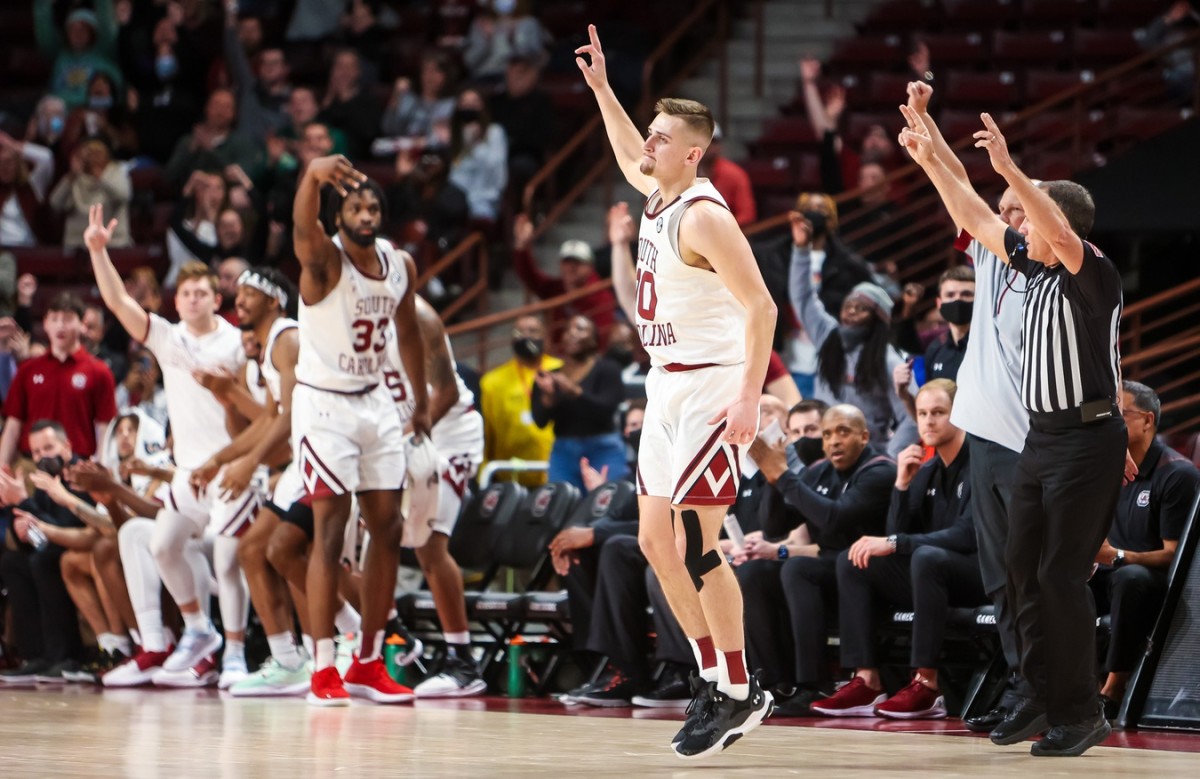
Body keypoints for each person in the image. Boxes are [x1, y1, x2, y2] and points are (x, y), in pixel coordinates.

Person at [900, 103, 1126, 756]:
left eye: (1030, 215)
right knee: (1021, 573)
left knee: (1058, 575)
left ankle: (1081, 711)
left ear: (1064, 227)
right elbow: (972, 213)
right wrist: (933, 159)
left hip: (1087, 438)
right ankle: (1051, 701)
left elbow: (1044, 219)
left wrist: (1008, 166)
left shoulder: (1094, 275)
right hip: (1044, 440)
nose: (1018, 224)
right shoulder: (1031, 269)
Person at [577, 23, 778, 758]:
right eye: (650, 134)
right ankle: (717, 679)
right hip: (666, 389)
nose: (648, 145)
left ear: (692, 151)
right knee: (654, 542)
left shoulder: (702, 212)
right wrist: (602, 89)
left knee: (698, 548)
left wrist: (750, 398)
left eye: (661, 137)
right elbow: (627, 153)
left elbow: (762, 307)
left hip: (710, 391)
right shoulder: (659, 193)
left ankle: (737, 685)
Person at [900, 81, 1032, 734]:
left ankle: (1045, 688)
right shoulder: (988, 258)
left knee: (1029, 575)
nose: (1004, 217)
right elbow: (963, 194)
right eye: (1003, 208)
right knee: (1001, 576)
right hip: (986, 441)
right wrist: (928, 138)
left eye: (1019, 209)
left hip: (1029, 442)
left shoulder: (1048, 275)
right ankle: (1018, 682)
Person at [85, 209, 254, 689]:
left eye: (202, 292)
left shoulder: (237, 343)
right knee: (162, 544)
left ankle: (237, 653)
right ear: (175, 300)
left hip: (233, 469)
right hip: (188, 472)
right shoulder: (167, 336)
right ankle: (200, 630)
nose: (193, 298)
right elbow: (117, 301)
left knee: (225, 559)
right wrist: (98, 250)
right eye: (185, 292)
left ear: (217, 300)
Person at [290, 154, 430, 706]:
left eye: (373, 206)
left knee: (388, 529)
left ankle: (369, 662)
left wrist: (416, 396)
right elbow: (303, 228)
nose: (366, 213)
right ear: (339, 213)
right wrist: (311, 177)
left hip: (375, 402)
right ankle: (323, 665)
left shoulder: (399, 265)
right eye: (355, 205)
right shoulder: (324, 261)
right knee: (329, 530)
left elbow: (410, 328)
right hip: (325, 407)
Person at [813, 380, 985, 719]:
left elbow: (968, 535)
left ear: (960, 415)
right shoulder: (928, 468)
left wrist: (896, 543)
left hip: (980, 574)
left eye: (938, 412)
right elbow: (897, 534)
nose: (929, 421)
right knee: (854, 560)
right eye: (922, 414)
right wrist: (902, 485)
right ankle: (866, 679)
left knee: (924, 555)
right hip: (932, 574)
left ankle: (927, 684)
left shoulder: (981, 462)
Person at [738, 404, 894, 715]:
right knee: (754, 573)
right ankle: (773, 683)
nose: (834, 441)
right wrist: (772, 477)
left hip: (872, 575)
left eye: (843, 432)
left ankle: (814, 684)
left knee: (799, 568)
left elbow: (834, 519)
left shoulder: (879, 471)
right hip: (831, 569)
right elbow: (774, 527)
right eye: (827, 435)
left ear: (864, 436)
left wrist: (782, 476)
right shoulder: (819, 470)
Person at [386, 296, 488, 698]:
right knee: (369, 535)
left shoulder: (419, 316)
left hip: (448, 431)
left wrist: (408, 438)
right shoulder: (354, 314)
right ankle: (385, 639)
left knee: (430, 545)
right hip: (401, 433)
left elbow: (444, 392)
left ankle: (463, 661)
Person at [1092, 380, 1200, 719]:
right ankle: (1052, 683)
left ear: (1147, 420)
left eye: (1118, 414)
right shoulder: (1105, 469)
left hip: (1157, 584)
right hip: (1112, 572)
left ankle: (1113, 688)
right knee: (1057, 578)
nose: (1109, 422)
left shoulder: (1177, 473)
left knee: (1130, 578)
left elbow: (1177, 555)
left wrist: (1120, 556)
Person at [0, 421, 99, 683]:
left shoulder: (81, 474)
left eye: (48, 447)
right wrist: (15, 510)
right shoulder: (46, 480)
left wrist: (24, 502)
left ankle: (65, 656)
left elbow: (69, 528)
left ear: (66, 446)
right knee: (12, 561)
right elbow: (36, 538)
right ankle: (35, 656)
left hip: (82, 546)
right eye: (36, 452)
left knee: (43, 561)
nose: (42, 456)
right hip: (52, 548)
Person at [789, 237, 908, 450]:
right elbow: (804, 298)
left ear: (878, 319)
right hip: (824, 451)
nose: (852, 310)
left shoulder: (888, 360)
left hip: (867, 453)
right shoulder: (827, 335)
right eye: (849, 305)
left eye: (862, 308)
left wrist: (889, 458)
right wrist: (801, 250)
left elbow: (911, 417)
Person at [0, 292, 117, 467]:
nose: (60, 326)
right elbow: (13, 423)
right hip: (31, 463)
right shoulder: (28, 370)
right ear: (45, 324)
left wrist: (101, 468)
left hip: (78, 465)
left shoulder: (99, 371)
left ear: (82, 325)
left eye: (68, 319)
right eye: (54, 319)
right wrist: (2, 468)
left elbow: (104, 427)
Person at [531, 315, 628, 489]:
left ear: (593, 340)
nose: (572, 334)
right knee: (560, 506)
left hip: (603, 448)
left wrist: (574, 391)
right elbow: (540, 421)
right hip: (564, 450)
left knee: (606, 503)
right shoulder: (550, 376)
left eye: (580, 329)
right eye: (568, 330)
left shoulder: (608, 369)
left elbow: (606, 409)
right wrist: (548, 396)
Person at [480, 314, 562, 486]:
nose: (526, 337)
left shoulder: (562, 372)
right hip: (511, 474)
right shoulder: (492, 382)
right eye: (519, 332)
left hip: (558, 471)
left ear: (545, 337)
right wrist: (483, 472)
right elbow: (486, 433)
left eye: (533, 331)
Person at [512, 215, 617, 348]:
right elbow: (529, 275)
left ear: (590, 266)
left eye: (578, 263)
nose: (571, 267)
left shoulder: (601, 296)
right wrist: (521, 246)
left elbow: (602, 339)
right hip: (554, 357)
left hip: (585, 359)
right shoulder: (555, 288)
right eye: (567, 261)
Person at [892, 265, 976, 420]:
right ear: (939, 303)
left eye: (966, 294)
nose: (958, 300)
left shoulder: (992, 347)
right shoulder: (935, 348)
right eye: (950, 295)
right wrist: (904, 394)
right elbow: (928, 417)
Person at [48, 136, 131, 251]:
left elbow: (124, 195)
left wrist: (99, 176)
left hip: (113, 243)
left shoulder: (115, 172)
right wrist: (72, 176)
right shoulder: (74, 178)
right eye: (88, 153)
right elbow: (55, 204)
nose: (92, 157)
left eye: (96, 152)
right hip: (77, 244)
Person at [698, 124, 756, 227]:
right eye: (704, 141)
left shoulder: (734, 174)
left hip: (726, 235)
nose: (709, 146)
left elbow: (747, 215)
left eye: (714, 142)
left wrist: (723, 228)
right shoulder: (682, 173)